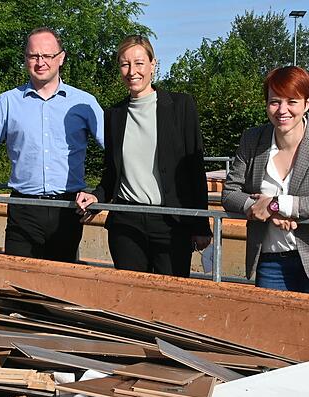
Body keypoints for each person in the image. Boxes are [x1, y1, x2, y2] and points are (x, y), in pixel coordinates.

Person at [76, 35, 211, 277]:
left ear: (153, 64)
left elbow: (194, 168)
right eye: (124, 64)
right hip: (126, 223)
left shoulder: (181, 106)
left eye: (139, 63)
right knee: (129, 300)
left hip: (172, 223)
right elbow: (112, 174)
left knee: (169, 300)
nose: (132, 71)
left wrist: (200, 224)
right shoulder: (114, 115)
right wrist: (96, 197)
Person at [0, 27, 104, 263]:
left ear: (61, 58)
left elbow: (115, 151)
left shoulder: (84, 102)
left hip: (68, 209)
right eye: (33, 56)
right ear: (26, 59)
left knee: (60, 285)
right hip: (23, 207)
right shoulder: (8, 101)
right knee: (15, 284)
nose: (40, 62)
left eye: (47, 55)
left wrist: (101, 193)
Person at [221, 66, 309, 297]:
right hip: (271, 261)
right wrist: (259, 209)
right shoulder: (253, 139)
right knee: (268, 332)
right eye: (275, 102)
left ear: (307, 103)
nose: (282, 110)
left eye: (291, 101)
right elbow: (229, 193)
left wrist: (277, 205)